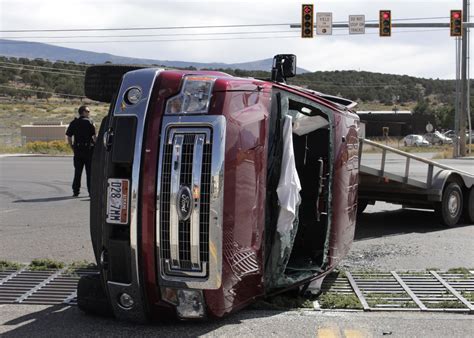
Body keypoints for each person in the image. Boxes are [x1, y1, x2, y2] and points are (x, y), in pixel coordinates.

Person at [66, 105, 97, 197]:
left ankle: (76, 191)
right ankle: (91, 192)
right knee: (89, 172)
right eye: (88, 111)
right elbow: (94, 137)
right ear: (83, 112)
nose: (89, 113)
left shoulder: (74, 122)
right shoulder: (90, 122)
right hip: (88, 150)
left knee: (77, 172)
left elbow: (69, 136)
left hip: (78, 150)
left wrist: (72, 146)